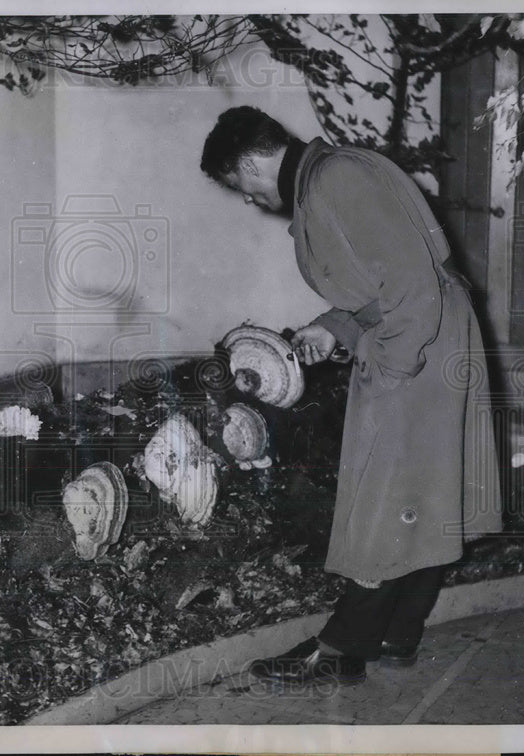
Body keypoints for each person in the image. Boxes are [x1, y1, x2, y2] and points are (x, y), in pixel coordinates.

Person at [200, 106, 503, 685]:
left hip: (419, 343)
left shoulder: (337, 179)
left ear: (249, 162)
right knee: (422, 491)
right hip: (429, 337)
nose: (245, 199)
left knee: (382, 496)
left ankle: (341, 650)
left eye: (238, 185)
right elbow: (380, 282)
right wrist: (334, 327)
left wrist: (389, 367)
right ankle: (397, 632)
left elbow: (412, 283)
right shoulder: (327, 177)